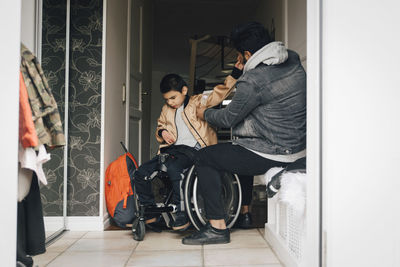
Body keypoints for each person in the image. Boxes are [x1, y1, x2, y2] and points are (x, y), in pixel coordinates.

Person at [182, 21, 306, 245]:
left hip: (274, 151)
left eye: (241, 55)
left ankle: (217, 227)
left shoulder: (253, 80)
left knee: (205, 157)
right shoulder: (294, 59)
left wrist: (205, 113)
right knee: (242, 146)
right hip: (298, 146)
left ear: (248, 54)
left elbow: (228, 118)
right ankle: (245, 214)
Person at [133, 73, 236, 231]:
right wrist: (162, 133)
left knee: (175, 169)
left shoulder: (197, 102)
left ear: (184, 90)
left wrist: (235, 74)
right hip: (173, 150)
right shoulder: (166, 109)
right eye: (166, 99)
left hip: (195, 150)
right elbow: (160, 126)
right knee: (141, 172)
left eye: (173, 97)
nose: (170, 102)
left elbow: (218, 94)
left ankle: (182, 214)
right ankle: (150, 213)